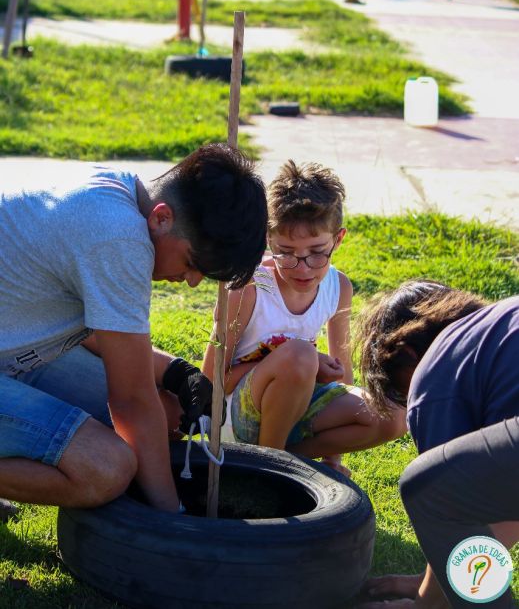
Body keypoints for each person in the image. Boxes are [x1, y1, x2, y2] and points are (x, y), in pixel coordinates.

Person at [0, 144, 267, 514]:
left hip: (12, 350)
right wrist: (171, 518)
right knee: (106, 468)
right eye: (193, 263)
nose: (191, 281)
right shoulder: (119, 240)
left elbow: (92, 331)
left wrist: (175, 371)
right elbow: (130, 401)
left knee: (166, 409)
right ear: (162, 218)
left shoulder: (120, 194)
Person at [202, 161, 406, 474]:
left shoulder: (339, 288)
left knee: (392, 416)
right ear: (268, 241)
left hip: (299, 409)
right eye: (286, 252)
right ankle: (267, 471)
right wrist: (303, 363)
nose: (303, 266)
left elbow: (342, 374)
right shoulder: (248, 288)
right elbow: (210, 382)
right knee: (300, 354)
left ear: (338, 239)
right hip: (240, 414)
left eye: (317, 251)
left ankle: (290, 461)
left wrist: (333, 459)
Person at [356, 281, 519, 608]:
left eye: (401, 394)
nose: (411, 401)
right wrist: (435, 583)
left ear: (406, 355)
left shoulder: (437, 371)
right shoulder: (500, 324)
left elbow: (459, 510)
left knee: (423, 485)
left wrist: (424, 603)